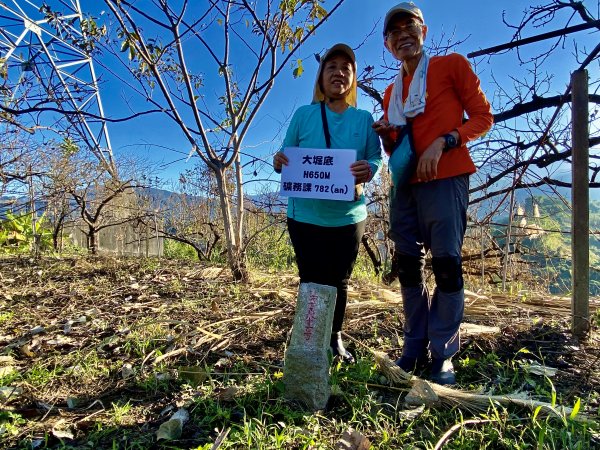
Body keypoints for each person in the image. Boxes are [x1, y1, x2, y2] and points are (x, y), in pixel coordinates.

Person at [372, 2, 493, 384]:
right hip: (406, 187)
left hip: (447, 179)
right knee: (408, 265)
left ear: (423, 30)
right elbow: (399, 149)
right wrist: (388, 135)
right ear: (388, 44)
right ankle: (413, 345)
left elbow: (483, 118)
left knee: (446, 265)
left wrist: (446, 140)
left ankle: (442, 353)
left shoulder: (451, 66)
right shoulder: (392, 90)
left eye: (410, 26)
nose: (403, 34)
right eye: (395, 31)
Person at [273, 43, 382, 363]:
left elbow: (375, 156)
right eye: (331, 67)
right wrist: (279, 160)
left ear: (353, 79)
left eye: (346, 68)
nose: (338, 73)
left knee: (340, 281)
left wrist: (371, 168)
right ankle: (307, 341)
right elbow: (285, 154)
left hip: (348, 217)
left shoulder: (364, 118)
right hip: (304, 214)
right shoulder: (304, 114)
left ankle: (333, 339)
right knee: (310, 279)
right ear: (320, 77)